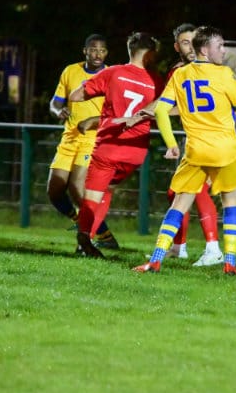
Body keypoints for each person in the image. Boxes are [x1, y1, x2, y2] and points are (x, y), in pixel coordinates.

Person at [134, 26, 236, 275]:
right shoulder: (224, 74)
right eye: (219, 45)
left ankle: (156, 260)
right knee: (230, 202)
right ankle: (229, 261)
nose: (224, 50)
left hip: (196, 150)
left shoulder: (180, 74)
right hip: (225, 150)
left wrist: (171, 143)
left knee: (179, 204)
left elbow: (161, 110)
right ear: (205, 50)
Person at [68, 32, 164, 257]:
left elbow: (75, 96)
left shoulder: (113, 72)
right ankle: (89, 238)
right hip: (135, 150)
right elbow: (165, 109)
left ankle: (84, 238)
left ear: (131, 50)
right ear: (150, 54)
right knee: (108, 189)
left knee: (92, 197)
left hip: (109, 145)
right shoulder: (157, 82)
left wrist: (85, 85)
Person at [47, 34, 118, 249]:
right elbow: (55, 103)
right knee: (54, 190)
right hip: (69, 138)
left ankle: (103, 236)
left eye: (102, 50)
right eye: (93, 49)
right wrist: (58, 111)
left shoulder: (112, 75)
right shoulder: (71, 71)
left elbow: (118, 113)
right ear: (85, 51)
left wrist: (93, 121)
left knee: (77, 188)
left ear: (106, 53)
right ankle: (82, 223)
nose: (98, 54)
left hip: (93, 139)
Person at [162, 23, 223, 266]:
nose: (190, 47)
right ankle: (180, 247)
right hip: (197, 139)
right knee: (177, 192)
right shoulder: (179, 72)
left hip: (217, 139)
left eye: (193, 42)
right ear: (177, 47)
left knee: (200, 191)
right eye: (185, 43)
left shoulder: (212, 70)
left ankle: (214, 249)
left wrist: (147, 112)